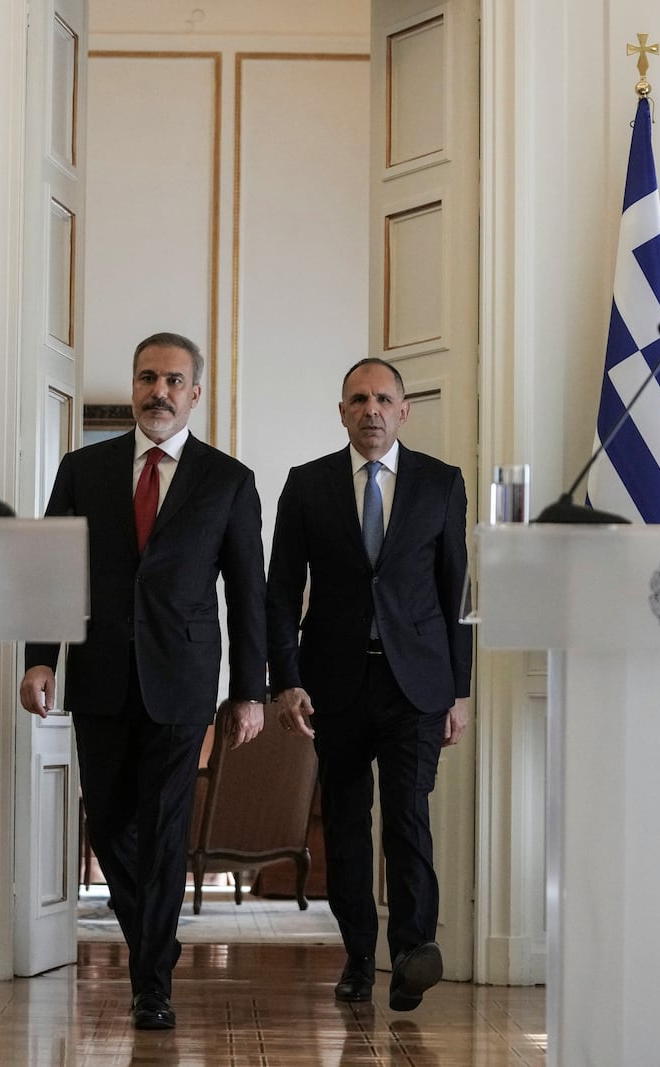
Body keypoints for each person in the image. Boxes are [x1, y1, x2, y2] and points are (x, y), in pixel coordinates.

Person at [19, 332, 266, 1031]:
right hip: (99, 674)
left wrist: (250, 690)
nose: (160, 391)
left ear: (195, 392)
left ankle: (150, 981)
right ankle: (157, 936)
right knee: (108, 818)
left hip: (183, 681)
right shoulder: (83, 468)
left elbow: (250, 593)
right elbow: (50, 570)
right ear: (134, 386)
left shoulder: (228, 480)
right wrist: (40, 657)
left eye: (174, 380)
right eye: (148, 377)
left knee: (162, 829)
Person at [265, 357, 472, 1012]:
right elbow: (278, 595)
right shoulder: (307, 485)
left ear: (404, 410)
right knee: (348, 823)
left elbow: (456, 594)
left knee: (409, 816)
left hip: (417, 684)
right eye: (359, 399)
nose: (372, 410)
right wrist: (286, 681)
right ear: (343, 411)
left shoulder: (441, 484)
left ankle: (412, 953)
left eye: (384, 398)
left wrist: (459, 689)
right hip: (336, 682)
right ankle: (359, 955)